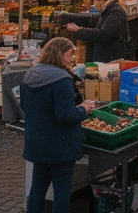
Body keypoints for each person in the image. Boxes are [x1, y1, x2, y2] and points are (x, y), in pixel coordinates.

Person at [22, 37, 98, 213]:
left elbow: (25, 107)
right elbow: (65, 116)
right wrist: (84, 109)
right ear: (59, 54)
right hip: (60, 146)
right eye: (69, 56)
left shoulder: (30, 75)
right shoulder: (61, 80)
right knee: (62, 189)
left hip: (36, 143)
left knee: (38, 187)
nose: (71, 60)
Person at [59, 0, 133, 63]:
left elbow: (103, 34)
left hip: (113, 58)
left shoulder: (115, 13)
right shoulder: (109, 10)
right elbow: (93, 20)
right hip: (110, 55)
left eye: (94, 1)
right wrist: (70, 17)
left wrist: (79, 30)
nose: (94, 5)